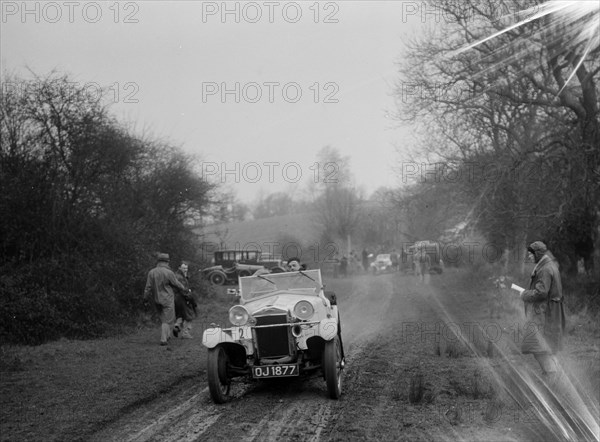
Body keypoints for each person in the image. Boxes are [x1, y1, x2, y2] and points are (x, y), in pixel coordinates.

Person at [520, 241, 566, 379]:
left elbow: (541, 293)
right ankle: (552, 376)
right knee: (545, 346)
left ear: (538, 254)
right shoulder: (549, 265)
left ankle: (551, 375)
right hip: (550, 313)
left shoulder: (545, 269)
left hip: (544, 314)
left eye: (531, 254)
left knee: (538, 346)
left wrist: (524, 294)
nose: (528, 256)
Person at [143, 253, 186, 346]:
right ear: (167, 262)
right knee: (168, 320)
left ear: (158, 261)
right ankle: (163, 339)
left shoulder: (151, 272)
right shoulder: (168, 272)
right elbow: (176, 283)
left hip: (156, 299)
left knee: (163, 319)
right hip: (167, 299)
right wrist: (184, 289)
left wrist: (145, 298)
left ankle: (167, 335)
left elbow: (148, 287)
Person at [173, 261, 197, 339]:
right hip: (182, 298)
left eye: (186, 268)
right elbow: (182, 288)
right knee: (189, 315)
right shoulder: (180, 277)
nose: (185, 270)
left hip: (176, 298)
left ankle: (176, 327)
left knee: (180, 314)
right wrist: (189, 297)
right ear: (179, 267)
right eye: (183, 268)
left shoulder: (178, 275)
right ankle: (185, 333)